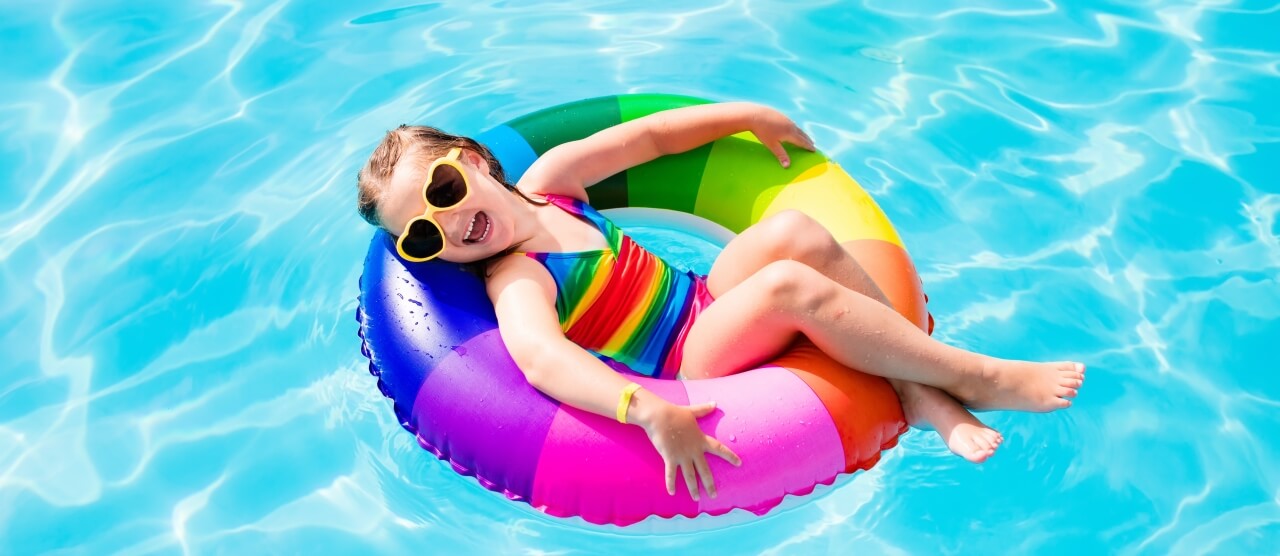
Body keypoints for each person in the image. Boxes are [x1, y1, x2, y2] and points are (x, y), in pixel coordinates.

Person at [356, 101, 1085, 501]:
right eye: (423, 236)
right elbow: (541, 360)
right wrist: (644, 407)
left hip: (705, 297)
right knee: (785, 285)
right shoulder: (518, 278)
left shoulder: (554, 181)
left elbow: (646, 137)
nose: (449, 223)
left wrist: (745, 116)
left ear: (476, 161)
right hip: (687, 358)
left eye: (444, 191)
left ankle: (913, 389)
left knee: (794, 230)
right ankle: (973, 376)